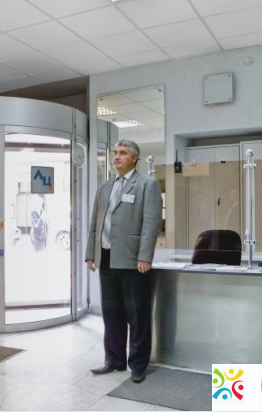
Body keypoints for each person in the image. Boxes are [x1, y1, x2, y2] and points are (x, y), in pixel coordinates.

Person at [85, 139, 162, 383]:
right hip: (106, 258)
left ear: (135, 159)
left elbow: (151, 223)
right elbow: (95, 223)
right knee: (112, 314)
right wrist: (90, 252)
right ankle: (114, 360)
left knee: (137, 316)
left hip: (133, 261)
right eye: (115, 152)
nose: (116, 157)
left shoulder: (147, 184)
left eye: (123, 153)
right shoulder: (105, 187)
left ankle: (137, 365)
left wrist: (145, 255)